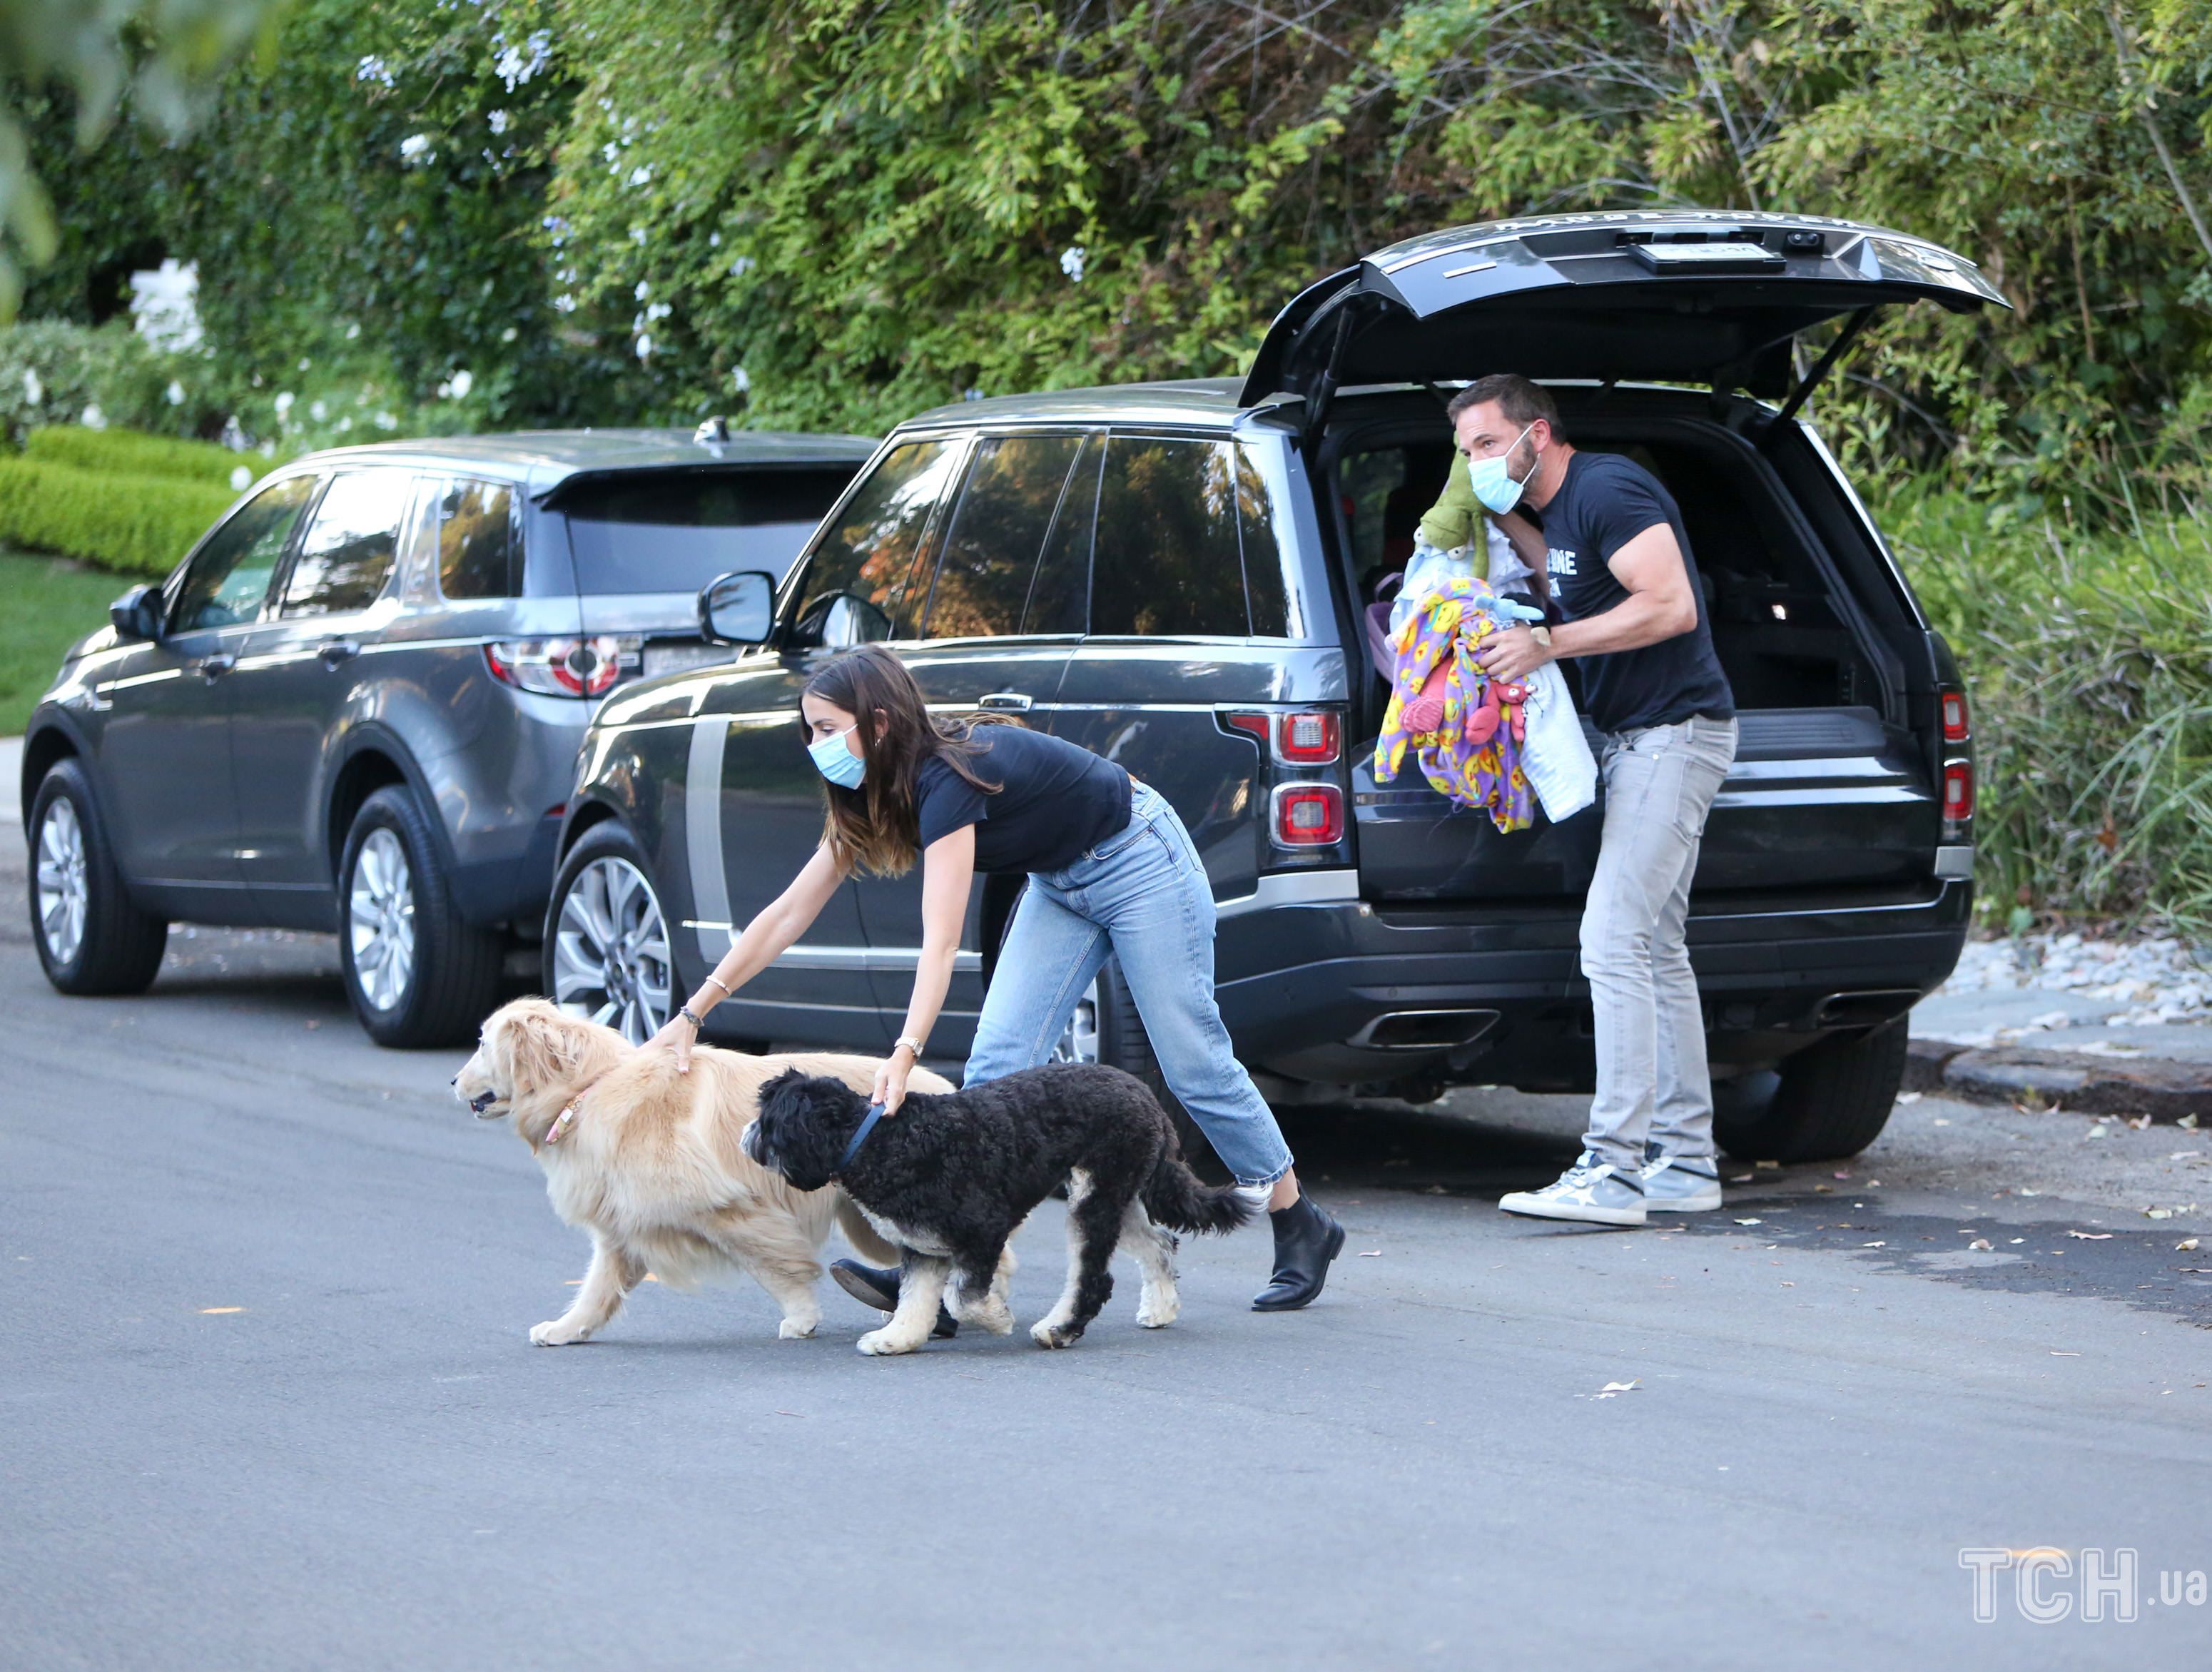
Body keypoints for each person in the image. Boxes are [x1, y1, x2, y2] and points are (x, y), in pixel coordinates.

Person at [649, 644, 1345, 1312]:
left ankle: (1296, 1221)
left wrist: (906, 1050)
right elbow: (788, 912)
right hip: (1060, 882)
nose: (815, 745)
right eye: (808, 731)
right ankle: (949, 1273)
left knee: (1191, 1059)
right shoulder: (867, 793)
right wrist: (695, 1010)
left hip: (1138, 856)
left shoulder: (946, 778)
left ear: (879, 723)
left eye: (827, 729)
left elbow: (941, 937)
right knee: (996, 1070)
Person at [1434, 374, 1738, 1227]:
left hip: (1672, 737)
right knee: (1656, 947)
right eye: (1465, 453)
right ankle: (1685, 1162)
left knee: (1610, 941)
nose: (1477, 462)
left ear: (1538, 433)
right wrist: (1492, 521)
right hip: (1639, 739)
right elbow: (1562, 573)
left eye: (1487, 445)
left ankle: (1612, 1169)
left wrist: (1545, 645)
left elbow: (1670, 605)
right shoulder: (1560, 514)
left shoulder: (1607, 488)